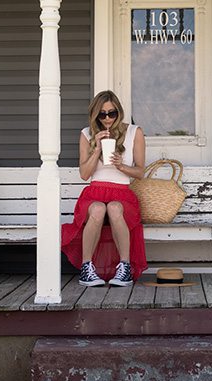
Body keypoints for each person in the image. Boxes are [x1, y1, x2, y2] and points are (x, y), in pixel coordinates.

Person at [61, 90, 148, 287]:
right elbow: (84, 174)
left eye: (112, 113)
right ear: (95, 115)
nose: (107, 118)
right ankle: (86, 268)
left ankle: (124, 267)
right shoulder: (86, 134)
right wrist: (98, 148)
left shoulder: (135, 132)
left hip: (122, 192)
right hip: (95, 192)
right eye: (102, 114)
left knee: (115, 208)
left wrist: (121, 165)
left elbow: (140, 172)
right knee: (99, 208)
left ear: (119, 112)